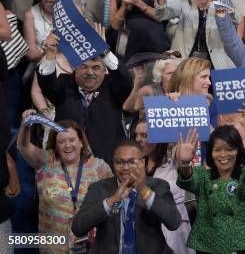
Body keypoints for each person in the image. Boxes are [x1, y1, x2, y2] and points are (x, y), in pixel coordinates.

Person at [36, 29, 132, 165]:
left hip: (107, 170)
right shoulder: (64, 84)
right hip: (68, 169)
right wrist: (50, 54)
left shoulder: (113, 87)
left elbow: (126, 80)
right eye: (84, 67)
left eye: (96, 67)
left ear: (104, 70)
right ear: (75, 68)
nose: (89, 72)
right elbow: (46, 82)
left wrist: (104, 51)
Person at [17, 116, 112, 253]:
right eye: (61, 141)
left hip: (90, 248)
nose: (67, 145)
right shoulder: (46, 162)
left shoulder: (99, 168)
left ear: (81, 142)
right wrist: (26, 124)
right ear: (55, 145)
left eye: (72, 140)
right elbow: (23, 146)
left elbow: (114, 205)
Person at [71, 139, 182, 252]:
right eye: (119, 162)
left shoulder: (159, 186)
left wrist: (144, 191)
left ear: (142, 162)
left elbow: (174, 222)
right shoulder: (98, 189)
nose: (125, 168)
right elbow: (78, 228)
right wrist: (112, 200)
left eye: (132, 162)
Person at [176, 126, 245, 253]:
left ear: (238, 150)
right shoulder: (204, 175)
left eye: (229, 149)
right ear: (211, 152)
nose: (223, 155)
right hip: (208, 247)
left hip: (240, 245)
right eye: (217, 150)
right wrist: (185, 164)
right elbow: (188, 180)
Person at [132, 118, 194, 254]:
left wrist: (173, 105)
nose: (138, 139)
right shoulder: (134, 165)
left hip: (176, 235)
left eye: (144, 135)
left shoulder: (174, 160)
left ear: (158, 135)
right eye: (136, 135)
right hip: (147, 237)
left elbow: (183, 156)